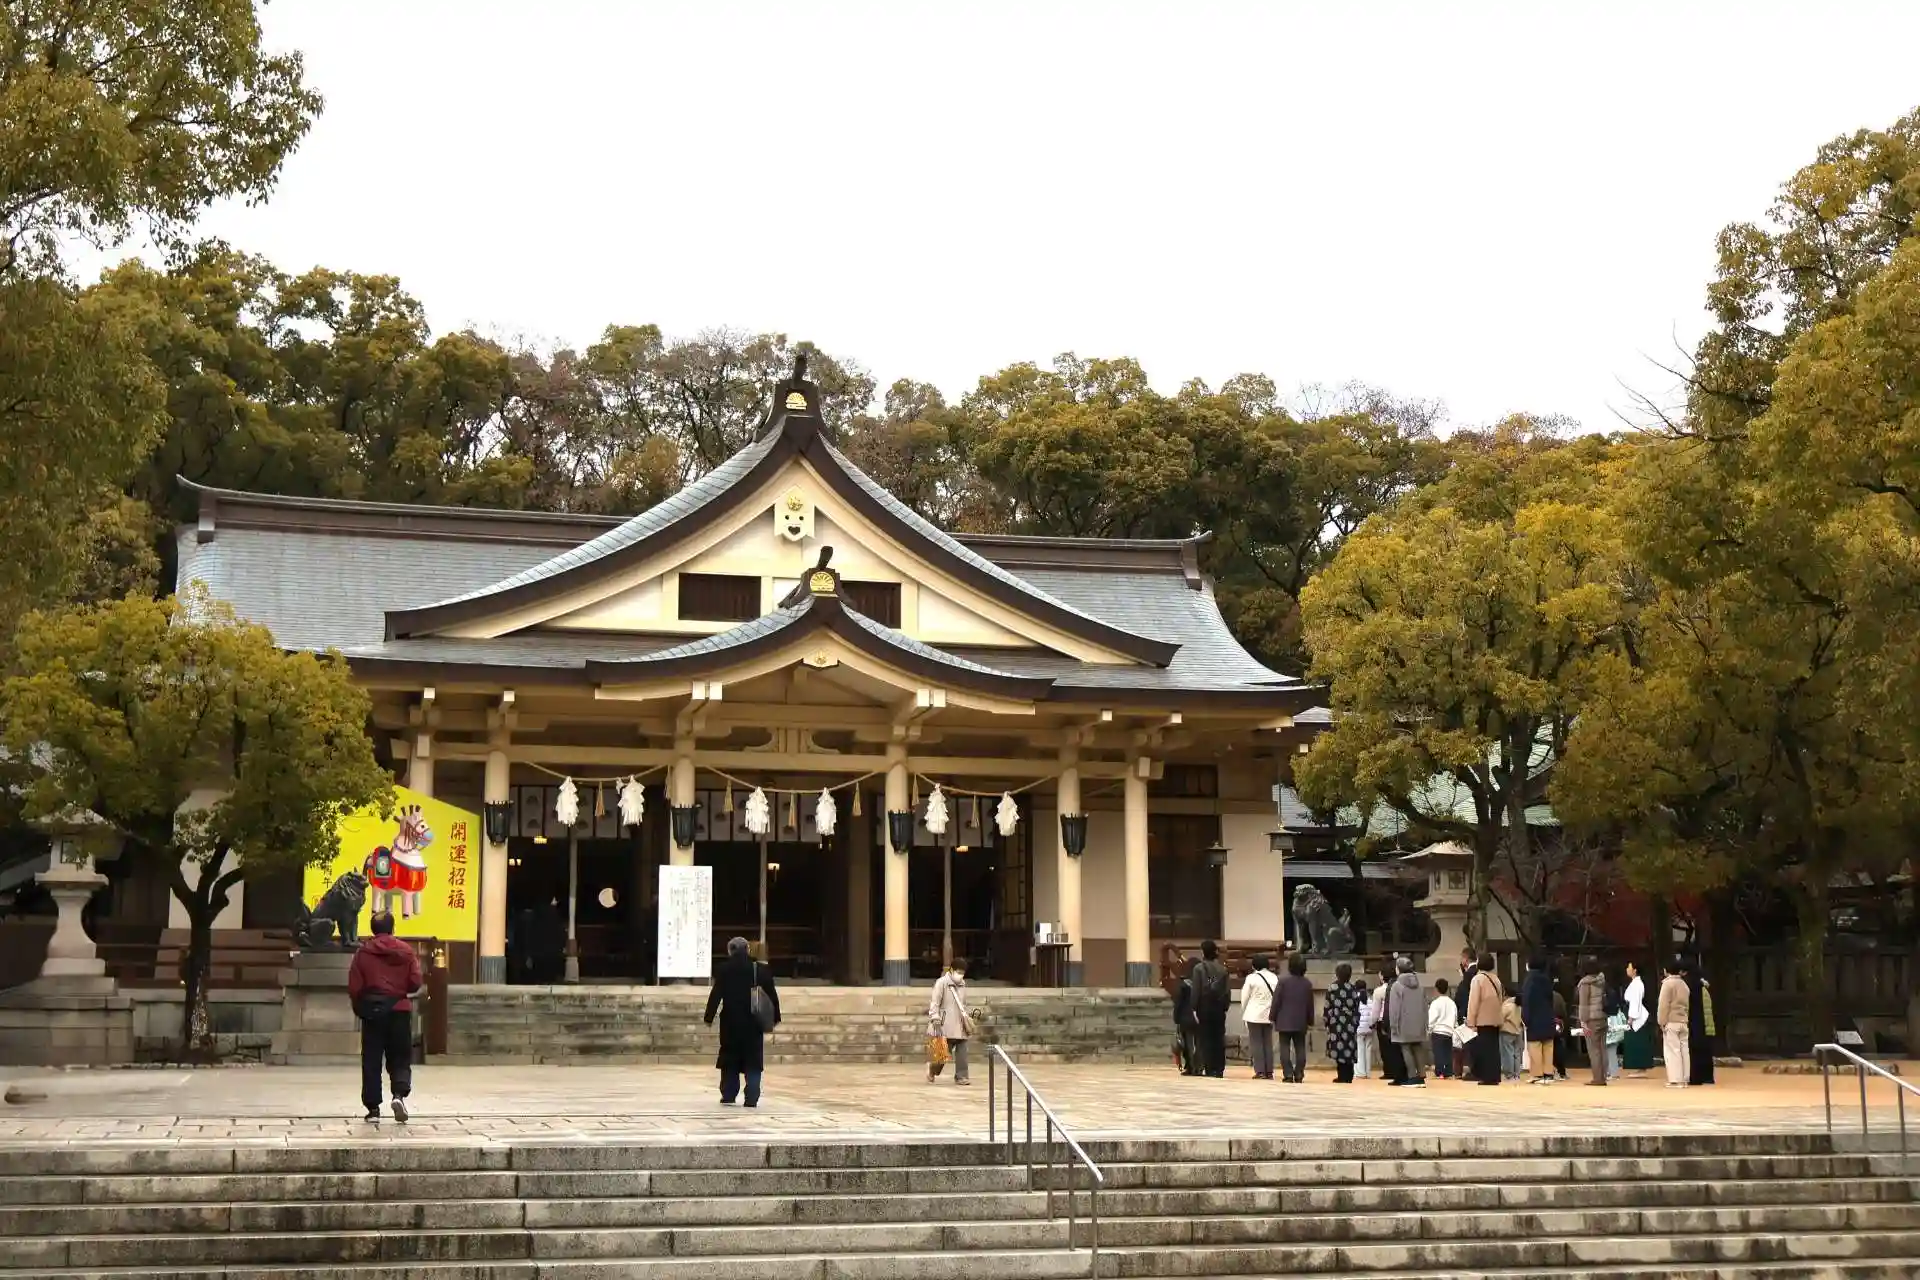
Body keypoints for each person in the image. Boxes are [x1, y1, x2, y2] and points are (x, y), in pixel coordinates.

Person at [347, 911, 422, 1123]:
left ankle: (373, 1108)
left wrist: (360, 1006)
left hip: (373, 1011)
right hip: (399, 1009)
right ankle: (399, 1095)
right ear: (392, 928)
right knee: (400, 1056)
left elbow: (354, 986)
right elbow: (415, 982)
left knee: (371, 1059)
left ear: (373, 929)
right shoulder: (406, 951)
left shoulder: (363, 953)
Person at [704, 936, 781, 1107]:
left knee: (729, 1057)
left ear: (730, 951)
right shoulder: (760, 970)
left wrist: (709, 1017)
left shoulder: (724, 969)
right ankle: (752, 1097)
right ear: (747, 949)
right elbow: (772, 995)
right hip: (754, 1022)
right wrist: (776, 1017)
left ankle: (729, 1094)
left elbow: (716, 994)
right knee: (753, 1059)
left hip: (730, 1022)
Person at [1189, 941, 1231, 1078]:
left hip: (1204, 1007)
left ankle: (1210, 1068)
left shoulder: (1198, 969)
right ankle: (1219, 1068)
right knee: (1218, 1038)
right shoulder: (1223, 969)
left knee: (1205, 1038)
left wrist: (1194, 1007)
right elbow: (1227, 991)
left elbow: (1196, 990)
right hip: (1219, 1008)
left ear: (1203, 952)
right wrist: (1225, 1007)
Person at [1386, 955, 1428, 1086]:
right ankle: (1421, 1075)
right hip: (1419, 1023)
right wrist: (1425, 1023)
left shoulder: (1397, 986)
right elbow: (1425, 1006)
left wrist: (1393, 1025)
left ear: (1399, 969)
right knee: (1417, 1047)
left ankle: (1412, 1076)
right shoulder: (1420, 985)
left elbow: (1394, 1009)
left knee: (1406, 1048)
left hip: (1403, 1023)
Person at [928, 963, 973, 1085]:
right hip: (944, 1024)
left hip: (960, 1024)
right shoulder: (941, 983)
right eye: (959, 972)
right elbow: (935, 1002)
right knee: (941, 1057)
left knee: (962, 1053)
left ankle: (961, 1076)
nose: (960, 975)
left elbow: (964, 1003)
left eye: (963, 973)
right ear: (952, 970)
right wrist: (935, 1017)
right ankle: (932, 1070)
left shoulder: (963, 985)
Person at [1272, 954, 1314, 1083]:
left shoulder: (1283, 981)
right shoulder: (1307, 983)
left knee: (1284, 1047)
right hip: (1301, 1020)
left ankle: (1288, 1073)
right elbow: (1310, 1004)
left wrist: (1272, 1015)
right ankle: (1299, 1073)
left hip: (1284, 1019)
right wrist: (1310, 1019)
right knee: (1300, 1047)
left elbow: (1276, 1001)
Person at [1466, 953, 1505, 1086]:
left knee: (1484, 1049)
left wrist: (1471, 1021)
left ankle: (1486, 1076)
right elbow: (1500, 999)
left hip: (1483, 1019)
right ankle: (1495, 1075)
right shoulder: (1496, 979)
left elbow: (1473, 1001)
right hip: (1495, 1018)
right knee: (1494, 1049)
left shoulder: (1478, 979)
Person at [1324, 961, 1365, 1084]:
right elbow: (1356, 1007)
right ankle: (1349, 1075)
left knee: (1339, 1049)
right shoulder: (1353, 989)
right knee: (1349, 1048)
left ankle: (1342, 1075)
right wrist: (1355, 1021)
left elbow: (1327, 1006)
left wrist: (1327, 1021)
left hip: (1336, 1023)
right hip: (1350, 1023)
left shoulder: (1332, 988)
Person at [1520, 957, 1558, 1084]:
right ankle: (1548, 1072)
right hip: (1548, 1016)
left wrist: (1525, 1018)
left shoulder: (1529, 980)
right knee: (1548, 1045)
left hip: (1534, 1018)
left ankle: (1537, 1074)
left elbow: (1527, 1001)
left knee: (1535, 1045)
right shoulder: (1547, 979)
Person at [1241, 955, 1278, 1080]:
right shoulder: (1274, 977)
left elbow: (1245, 997)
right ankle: (1269, 1071)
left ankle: (1260, 1071)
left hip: (1253, 1014)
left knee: (1256, 1043)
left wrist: (1243, 1012)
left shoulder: (1251, 978)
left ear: (1254, 965)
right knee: (1268, 1043)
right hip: (1269, 1014)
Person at [1657, 957, 1692, 1087]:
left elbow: (1663, 1005)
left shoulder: (1667, 984)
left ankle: (1676, 1079)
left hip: (1671, 1021)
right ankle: (1685, 1077)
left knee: (1672, 1051)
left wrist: (1661, 1021)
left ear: (1666, 971)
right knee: (1684, 1050)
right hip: (1683, 1020)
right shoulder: (1684, 985)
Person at [1371, 964, 1405, 1084]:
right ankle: (1397, 1071)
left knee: (1385, 1049)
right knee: (1397, 1048)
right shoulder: (1400, 987)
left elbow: (1376, 1010)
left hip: (1382, 1021)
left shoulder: (1379, 991)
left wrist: (1372, 1022)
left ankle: (1388, 1071)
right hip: (1399, 1020)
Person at [1576, 958, 1608, 1086]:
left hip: (1591, 1020)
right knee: (1602, 1048)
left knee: (1593, 1049)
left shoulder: (1585, 983)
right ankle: (1604, 1076)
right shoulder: (1601, 981)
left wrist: (1583, 1021)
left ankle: (1597, 1078)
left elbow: (1583, 1004)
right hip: (1603, 1018)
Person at [1687, 959, 1717, 1087]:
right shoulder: (1704, 987)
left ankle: (1696, 1077)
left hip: (1697, 1023)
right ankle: (1708, 1077)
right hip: (1707, 1024)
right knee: (1707, 1052)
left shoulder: (1693, 987)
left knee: (1695, 1052)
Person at [1621, 961, 1654, 1077]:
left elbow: (1635, 1001)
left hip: (1638, 1016)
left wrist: (1631, 1017)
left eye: (1629, 967)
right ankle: (1639, 1068)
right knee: (1635, 1042)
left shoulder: (1637, 984)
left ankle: (1641, 1068)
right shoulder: (1635, 983)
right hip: (1633, 1012)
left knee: (1638, 1042)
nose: (1627, 969)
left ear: (1635, 970)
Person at [1172, 961, 1199, 1075]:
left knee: (1188, 1044)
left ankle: (1191, 1066)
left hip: (1186, 1018)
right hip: (1199, 1017)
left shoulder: (1183, 986)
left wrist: (1176, 1017)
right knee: (1198, 1043)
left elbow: (1178, 1003)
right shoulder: (1200, 984)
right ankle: (1198, 1066)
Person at [1428, 978, 1458, 1079]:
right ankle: (1448, 1072)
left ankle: (1440, 1072)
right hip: (1449, 1032)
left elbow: (1432, 1019)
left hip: (1438, 1031)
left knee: (1439, 1053)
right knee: (1448, 1053)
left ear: (1436, 989)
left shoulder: (1435, 1003)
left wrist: (1428, 1029)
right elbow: (1455, 1018)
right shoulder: (1452, 1003)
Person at [1452, 947, 1475, 1078]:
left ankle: (1473, 1070)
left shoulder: (1469, 975)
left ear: (1465, 959)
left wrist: (1465, 1015)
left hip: (1468, 1015)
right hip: (1474, 1014)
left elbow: (1465, 998)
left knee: (1470, 1045)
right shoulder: (1477, 973)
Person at [1353, 963, 1377, 1079]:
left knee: (1359, 1049)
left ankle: (1360, 1072)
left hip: (1359, 1028)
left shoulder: (1355, 1000)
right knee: (1368, 1049)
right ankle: (1367, 1071)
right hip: (1369, 1027)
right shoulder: (1370, 1000)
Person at [1500, 991, 1526, 1081]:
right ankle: (1517, 1074)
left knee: (1508, 1053)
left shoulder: (1508, 1006)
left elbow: (1500, 1018)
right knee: (1517, 1054)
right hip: (1518, 1032)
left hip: (1507, 1032)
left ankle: (1509, 1074)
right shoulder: (1521, 1008)